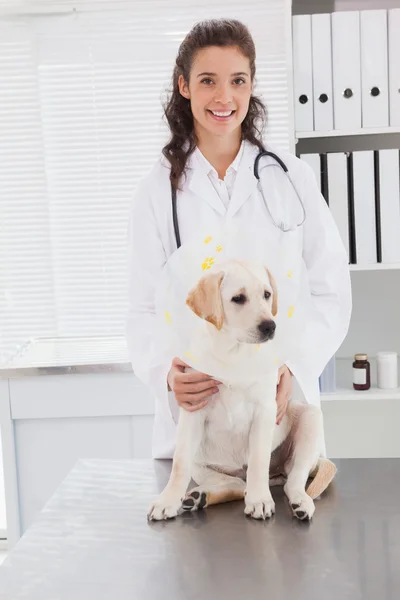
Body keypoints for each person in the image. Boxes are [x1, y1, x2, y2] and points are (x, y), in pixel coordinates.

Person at [126, 18, 352, 459]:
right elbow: (143, 308)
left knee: (285, 518)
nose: (224, 97)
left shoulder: (292, 179)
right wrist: (167, 375)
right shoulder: (156, 192)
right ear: (184, 85)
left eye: (238, 81)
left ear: (251, 86)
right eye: (207, 80)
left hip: (277, 419)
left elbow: (330, 291)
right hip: (198, 422)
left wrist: (294, 364)